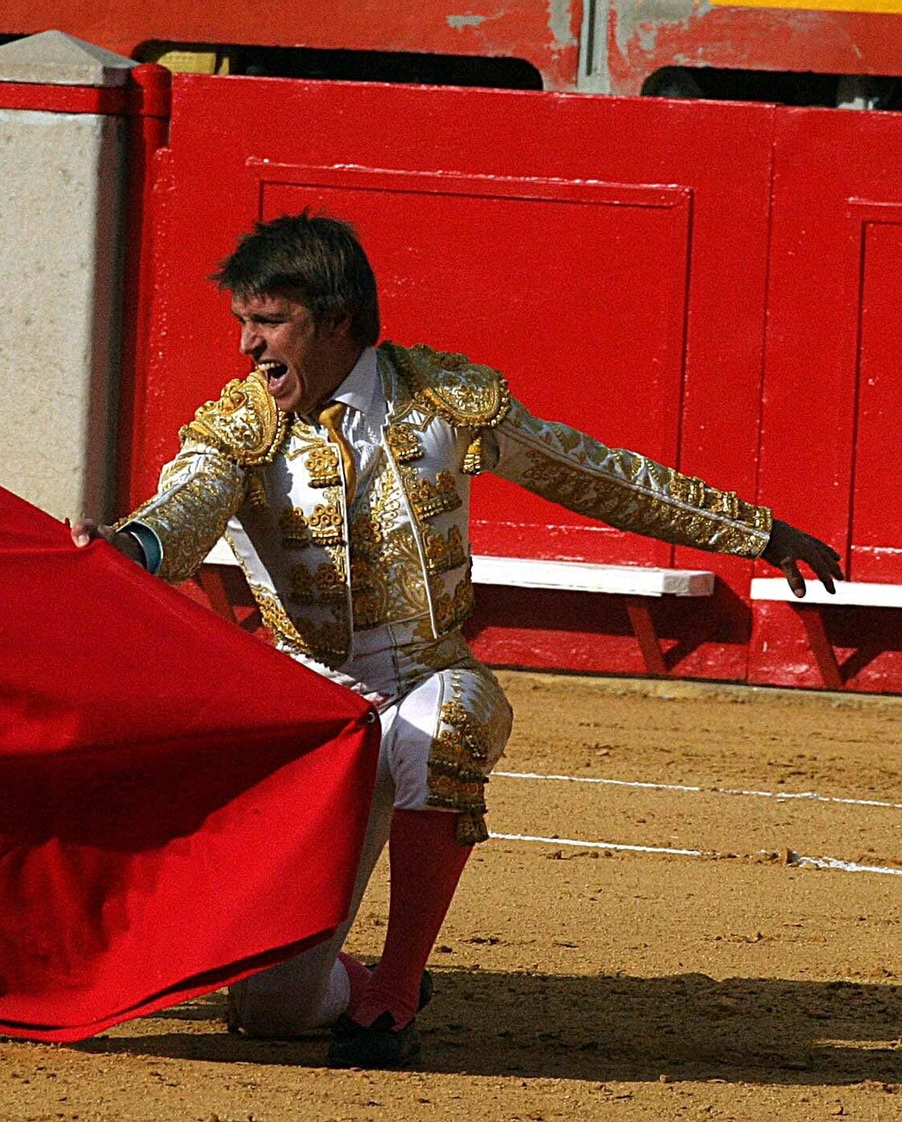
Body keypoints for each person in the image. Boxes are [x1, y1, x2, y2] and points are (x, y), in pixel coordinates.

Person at [71, 213, 843, 1067]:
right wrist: (131, 546)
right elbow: (185, 505)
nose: (248, 345)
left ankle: (394, 997)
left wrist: (757, 532)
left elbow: (590, 472)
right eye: (243, 323)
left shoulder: (445, 402)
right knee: (275, 1013)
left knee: (444, 729)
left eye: (268, 321)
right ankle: (350, 983)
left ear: (334, 320)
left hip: (429, 671)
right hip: (310, 706)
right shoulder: (241, 428)